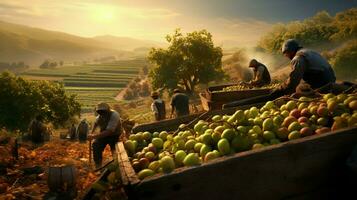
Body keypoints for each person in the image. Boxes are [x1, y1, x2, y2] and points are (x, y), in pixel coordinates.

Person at [271, 39, 336, 97]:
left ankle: (314, 94)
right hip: (330, 78)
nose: (286, 56)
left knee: (298, 89)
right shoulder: (308, 51)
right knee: (301, 85)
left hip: (322, 82)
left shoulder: (298, 58)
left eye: (286, 54)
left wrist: (279, 90)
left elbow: (293, 81)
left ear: (289, 51)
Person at [88, 102, 122, 168]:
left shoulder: (114, 115)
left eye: (103, 111)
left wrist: (93, 136)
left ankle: (117, 164)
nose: (102, 113)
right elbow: (96, 123)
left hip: (115, 135)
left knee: (115, 149)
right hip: (104, 134)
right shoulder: (99, 117)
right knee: (96, 145)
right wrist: (91, 133)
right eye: (100, 112)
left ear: (108, 110)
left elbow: (109, 131)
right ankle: (98, 165)